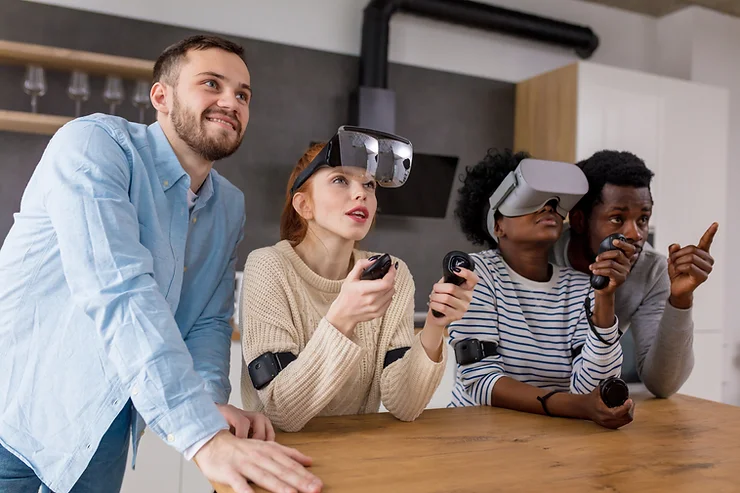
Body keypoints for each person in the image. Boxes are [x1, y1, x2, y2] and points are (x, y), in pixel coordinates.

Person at [0, 35, 321, 493]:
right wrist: (202, 438)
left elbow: (209, 319)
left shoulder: (228, 205)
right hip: (17, 421)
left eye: (243, 94)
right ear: (161, 97)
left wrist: (210, 402)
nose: (230, 101)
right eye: (212, 84)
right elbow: (120, 291)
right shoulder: (94, 145)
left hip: (102, 431)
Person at [240, 133, 478, 432]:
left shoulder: (394, 273)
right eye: (341, 180)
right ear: (304, 205)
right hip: (278, 454)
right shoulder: (268, 266)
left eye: (369, 185)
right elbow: (281, 412)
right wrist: (343, 318)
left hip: (359, 453)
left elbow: (404, 405)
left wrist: (435, 324)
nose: (361, 193)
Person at [448, 149, 634, 429]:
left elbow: (593, 388)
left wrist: (604, 298)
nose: (548, 207)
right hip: (476, 435)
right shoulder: (475, 275)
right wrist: (578, 407)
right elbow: (480, 381)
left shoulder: (580, 287)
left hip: (552, 440)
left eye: (554, 202)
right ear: (498, 224)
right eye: (531, 200)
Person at [553, 150, 717, 398]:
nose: (636, 234)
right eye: (617, 218)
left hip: (590, 408)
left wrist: (680, 301)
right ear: (578, 220)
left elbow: (663, 384)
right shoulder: (541, 255)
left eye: (643, 218)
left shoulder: (651, 271)